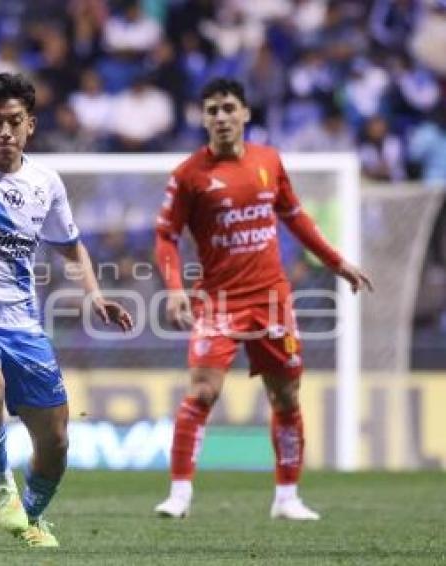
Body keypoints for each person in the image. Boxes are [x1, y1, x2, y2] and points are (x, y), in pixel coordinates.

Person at [154, 78, 373, 521]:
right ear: (203, 119)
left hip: (271, 300)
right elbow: (166, 236)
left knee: (286, 397)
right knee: (202, 391)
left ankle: (287, 498)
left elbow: (296, 217)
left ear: (245, 113)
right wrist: (175, 290)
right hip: (218, 302)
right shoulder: (189, 175)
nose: (221, 117)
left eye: (228, 108)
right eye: (212, 110)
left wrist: (336, 261)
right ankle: (179, 494)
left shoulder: (269, 161)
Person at [0, 73, 133, 548]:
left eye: (14, 122)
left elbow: (70, 247)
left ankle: (29, 516)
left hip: (23, 325)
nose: (4, 132)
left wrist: (95, 295)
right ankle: (0, 483)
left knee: (57, 442)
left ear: (30, 125)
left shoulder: (45, 182)